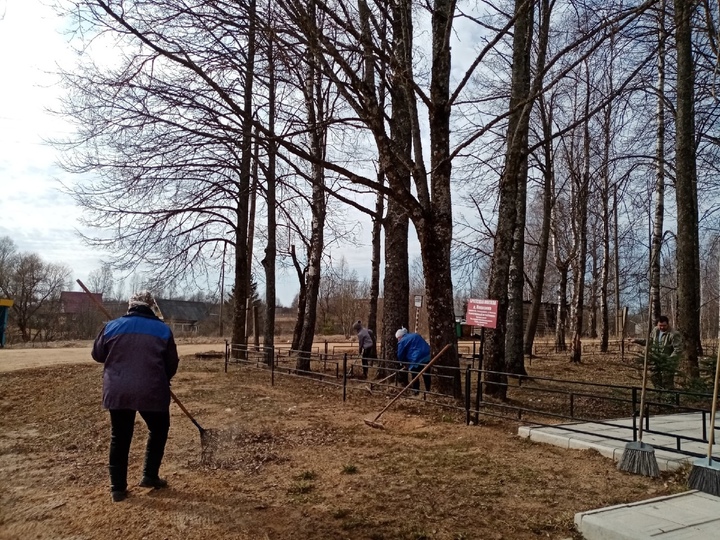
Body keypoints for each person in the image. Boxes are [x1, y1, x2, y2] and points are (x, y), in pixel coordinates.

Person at [92, 290, 180, 503]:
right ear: (151, 306)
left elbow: (98, 355)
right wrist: (161, 378)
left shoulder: (112, 327)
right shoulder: (163, 330)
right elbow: (171, 364)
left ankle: (117, 489)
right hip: (152, 391)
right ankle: (150, 475)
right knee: (159, 429)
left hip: (118, 391)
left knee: (119, 437)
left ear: (130, 305)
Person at [630, 315, 683, 389]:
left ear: (668, 324)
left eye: (664, 326)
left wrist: (669, 360)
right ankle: (659, 395)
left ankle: (669, 398)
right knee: (654, 377)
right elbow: (650, 341)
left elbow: (678, 349)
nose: (662, 327)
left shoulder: (674, 334)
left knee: (667, 382)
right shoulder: (655, 330)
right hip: (656, 360)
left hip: (667, 362)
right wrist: (637, 340)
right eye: (660, 325)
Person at [395, 327, 432, 394]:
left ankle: (416, 391)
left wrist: (403, 363)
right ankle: (428, 390)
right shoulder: (415, 335)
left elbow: (400, 354)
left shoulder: (402, 341)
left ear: (400, 336)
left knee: (415, 374)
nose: (398, 340)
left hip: (416, 358)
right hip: (427, 355)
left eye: (397, 338)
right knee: (426, 374)